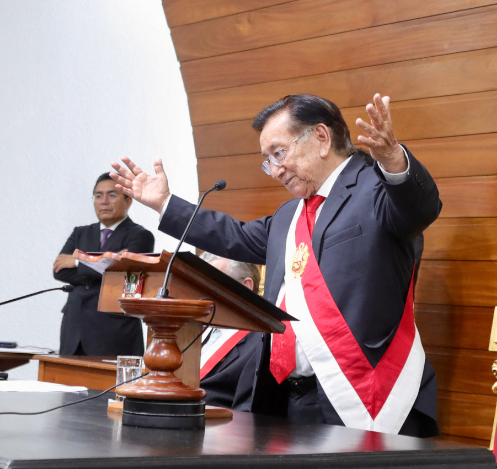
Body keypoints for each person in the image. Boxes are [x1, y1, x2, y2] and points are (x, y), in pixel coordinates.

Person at [112, 93, 441, 436]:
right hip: (290, 399)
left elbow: (421, 208)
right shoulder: (289, 216)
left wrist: (393, 160)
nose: (276, 170)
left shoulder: (376, 187)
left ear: (321, 138)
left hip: (365, 391)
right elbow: (232, 236)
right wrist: (165, 204)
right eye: (268, 161)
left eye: (279, 153)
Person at [53, 172, 155, 356]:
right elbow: (60, 272)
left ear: (128, 201)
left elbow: (127, 276)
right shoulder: (80, 233)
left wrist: (77, 261)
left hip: (114, 329)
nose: (104, 201)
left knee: (108, 385)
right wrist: (109, 262)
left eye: (112, 195)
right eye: (98, 195)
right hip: (74, 326)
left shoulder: (140, 236)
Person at [196, 251, 264, 410]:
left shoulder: (260, 343)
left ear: (245, 287)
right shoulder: (192, 330)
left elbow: (246, 412)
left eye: (213, 283)